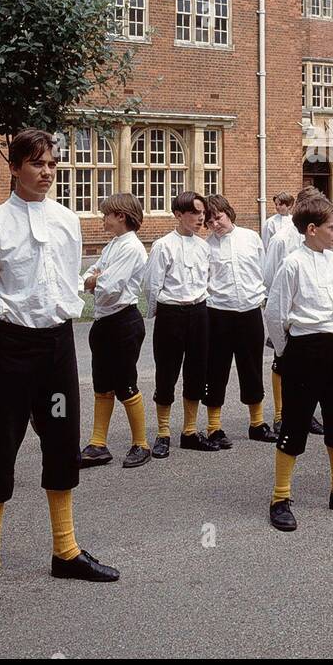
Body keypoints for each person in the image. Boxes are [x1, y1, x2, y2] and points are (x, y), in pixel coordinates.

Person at [0, 128, 119, 613]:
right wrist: (14, 344)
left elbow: (69, 280)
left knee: (60, 443)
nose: (48, 172)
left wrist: (48, 335)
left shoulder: (67, 219)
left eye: (52, 163)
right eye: (37, 164)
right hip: (10, 348)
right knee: (1, 452)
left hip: (57, 347)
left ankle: (66, 550)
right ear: (13, 169)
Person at [264, 195, 333, 531]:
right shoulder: (292, 263)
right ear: (311, 230)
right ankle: (280, 497)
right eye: (332, 227)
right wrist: (284, 352)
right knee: (295, 423)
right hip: (302, 350)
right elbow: (276, 314)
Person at [79, 192, 151, 470]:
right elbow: (93, 275)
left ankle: (141, 443)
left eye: (106, 214)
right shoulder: (112, 245)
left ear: (120, 216)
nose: (103, 218)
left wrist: (93, 280)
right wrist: (93, 279)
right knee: (102, 384)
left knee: (125, 384)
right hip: (104, 321)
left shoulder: (131, 247)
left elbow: (109, 285)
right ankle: (98, 444)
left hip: (124, 322)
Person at [144, 191, 218, 454]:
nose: (200, 218)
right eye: (194, 213)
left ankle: (189, 430)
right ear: (178, 215)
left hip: (198, 312)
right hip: (171, 314)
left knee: (197, 371)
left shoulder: (204, 246)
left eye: (202, 213)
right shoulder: (164, 245)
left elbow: (207, 279)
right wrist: (158, 314)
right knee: (167, 372)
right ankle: (163, 432)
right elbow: (152, 285)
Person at [204, 193, 276, 446]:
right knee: (216, 369)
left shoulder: (251, 238)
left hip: (249, 312)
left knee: (252, 368)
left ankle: (257, 423)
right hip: (219, 313)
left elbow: (263, 269)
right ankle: (214, 427)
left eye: (218, 218)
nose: (215, 225)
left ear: (228, 212)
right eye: (209, 222)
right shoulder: (206, 247)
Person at [262, 185, 325, 436]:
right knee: (282, 363)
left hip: (313, 314)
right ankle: (280, 415)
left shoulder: (321, 236)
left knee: (311, 368)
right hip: (288, 312)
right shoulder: (282, 239)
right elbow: (269, 277)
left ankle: (307, 414)